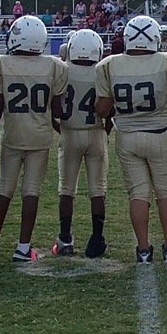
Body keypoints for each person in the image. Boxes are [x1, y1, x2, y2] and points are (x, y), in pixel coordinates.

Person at [94, 16, 167, 263]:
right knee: (166, 194)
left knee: (138, 195)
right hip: (160, 135)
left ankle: (143, 249)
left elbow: (102, 109)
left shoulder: (109, 65)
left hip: (127, 137)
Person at [0, 15, 67, 262]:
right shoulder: (54, 67)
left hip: (12, 136)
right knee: (31, 191)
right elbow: (58, 110)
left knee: (4, 189)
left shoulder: (0, 64)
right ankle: (22, 247)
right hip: (39, 138)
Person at [55, 29, 112, 258]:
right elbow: (110, 109)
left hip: (69, 132)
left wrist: (59, 127)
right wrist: (105, 132)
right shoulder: (102, 72)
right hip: (95, 131)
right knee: (97, 190)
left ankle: (65, 238)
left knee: (66, 188)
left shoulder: (62, 70)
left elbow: (55, 107)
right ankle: (97, 238)